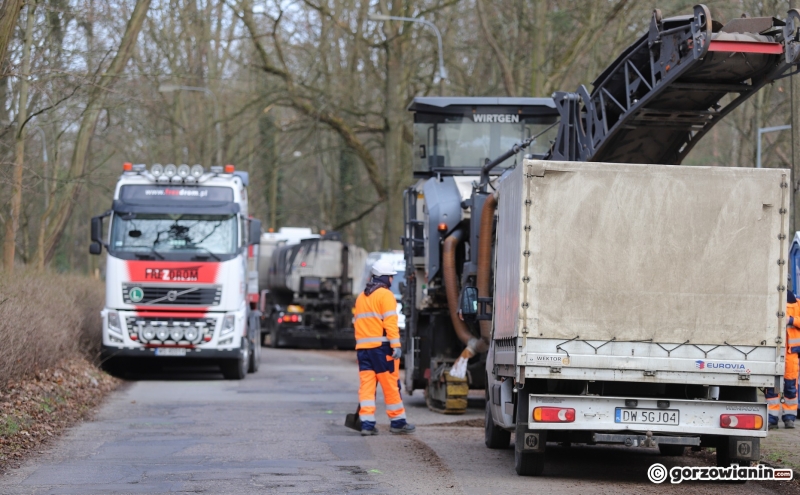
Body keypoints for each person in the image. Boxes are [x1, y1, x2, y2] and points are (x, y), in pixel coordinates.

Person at [353, 259, 415, 436]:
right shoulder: (385, 295)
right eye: (391, 277)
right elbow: (390, 322)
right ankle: (398, 422)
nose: (392, 280)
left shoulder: (362, 296)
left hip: (363, 349)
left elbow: (357, 323)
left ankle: (366, 424)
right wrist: (396, 345)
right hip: (382, 349)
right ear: (386, 278)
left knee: (367, 385)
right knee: (390, 384)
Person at [766, 290, 800, 429]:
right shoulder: (771, 300)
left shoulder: (797, 304)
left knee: (791, 386)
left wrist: (790, 320)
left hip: (790, 353)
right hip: (774, 352)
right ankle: (771, 417)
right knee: (772, 386)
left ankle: (789, 418)